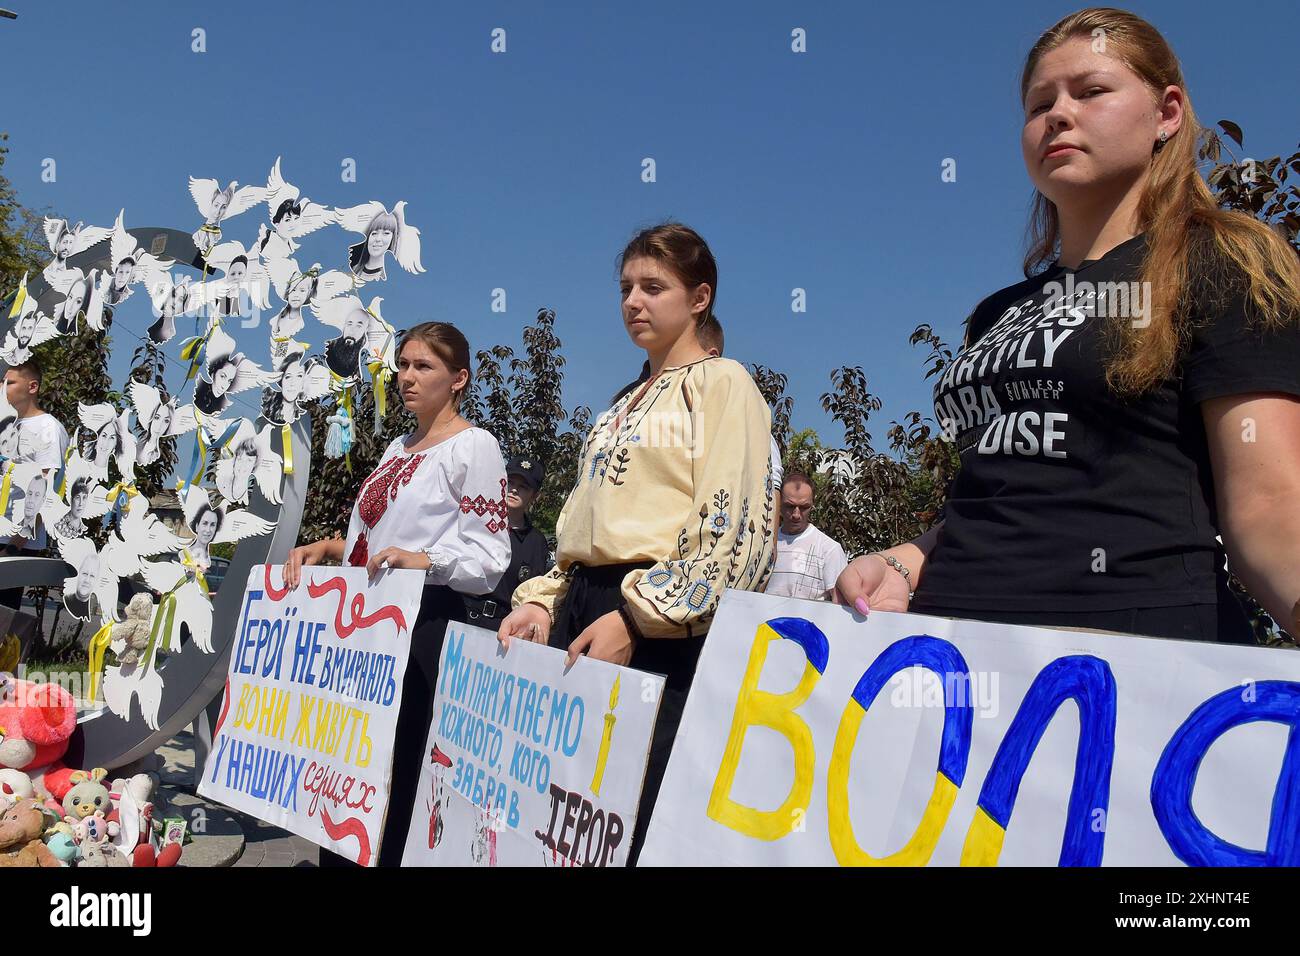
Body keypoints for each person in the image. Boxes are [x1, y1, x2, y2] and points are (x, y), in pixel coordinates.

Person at [836, 8, 1300, 646]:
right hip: (958, 658)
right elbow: (999, 490)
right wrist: (907, 560)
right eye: (1038, 104)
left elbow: (1269, 506)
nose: (1057, 114)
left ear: (1167, 113)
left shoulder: (1223, 263)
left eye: (1091, 92)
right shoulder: (998, 313)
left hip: (1141, 665)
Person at [496, 222, 776, 863]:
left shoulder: (724, 383)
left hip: (660, 632)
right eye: (626, 287)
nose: (633, 302)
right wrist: (543, 600)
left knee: (632, 821)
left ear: (699, 297)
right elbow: (582, 528)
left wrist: (637, 619)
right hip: (584, 614)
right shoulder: (620, 404)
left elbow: (737, 539)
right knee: (561, 821)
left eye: (654, 286)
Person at [284, 321, 510, 867]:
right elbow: (380, 541)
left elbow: (489, 557)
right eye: (403, 365)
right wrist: (334, 546)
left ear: (459, 379)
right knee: (347, 766)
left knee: (398, 773)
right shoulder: (397, 445)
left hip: (423, 623)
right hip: (367, 623)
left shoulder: (473, 446)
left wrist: (427, 561)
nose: (407, 377)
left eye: (423, 366)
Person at [0, 360, 70, 609]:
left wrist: (12, 548)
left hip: (12, 543)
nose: (2, 387)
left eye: (9, 382)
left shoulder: (48, 429)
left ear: (32, 387)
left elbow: (45, 493)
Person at [463, 456, 551, 627]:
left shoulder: (536, 542)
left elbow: (531, 593)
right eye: (510, 482)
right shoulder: (475, 521)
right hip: (459, 614)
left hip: (501, 627)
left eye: (523, 487)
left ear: (535, 496)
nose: (514, 490)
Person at [766, 471, 849, 601]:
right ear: (779, 502)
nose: (796, 514)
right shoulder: (765, 541)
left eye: (804, 507)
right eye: (790, 506)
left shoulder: (829, 549)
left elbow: (840, 604)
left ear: (812, 505)